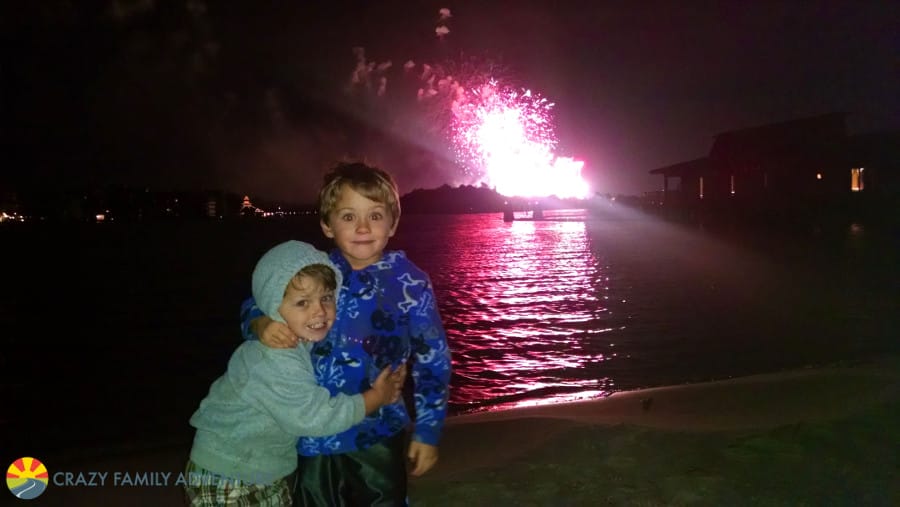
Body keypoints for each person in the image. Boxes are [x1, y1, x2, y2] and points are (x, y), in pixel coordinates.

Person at [241, 162, 452, 506]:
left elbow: (433, 359)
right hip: (313, 431)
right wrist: (259, 324)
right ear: (327, 224)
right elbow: (257, 300)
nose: (363, 227)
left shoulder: (411, 283)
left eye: (375, 215)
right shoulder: (313, 272)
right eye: (348, 216)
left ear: (393, 223)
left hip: (377, 431)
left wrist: (428, 431)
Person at [185, 240, 406, 507]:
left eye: (327, 298)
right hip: (231, 474)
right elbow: (314, 417)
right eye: (303, 302)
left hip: (256, 467)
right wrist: (376, 398)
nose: (319, 310)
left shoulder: (300, 337)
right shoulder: (276, 358)